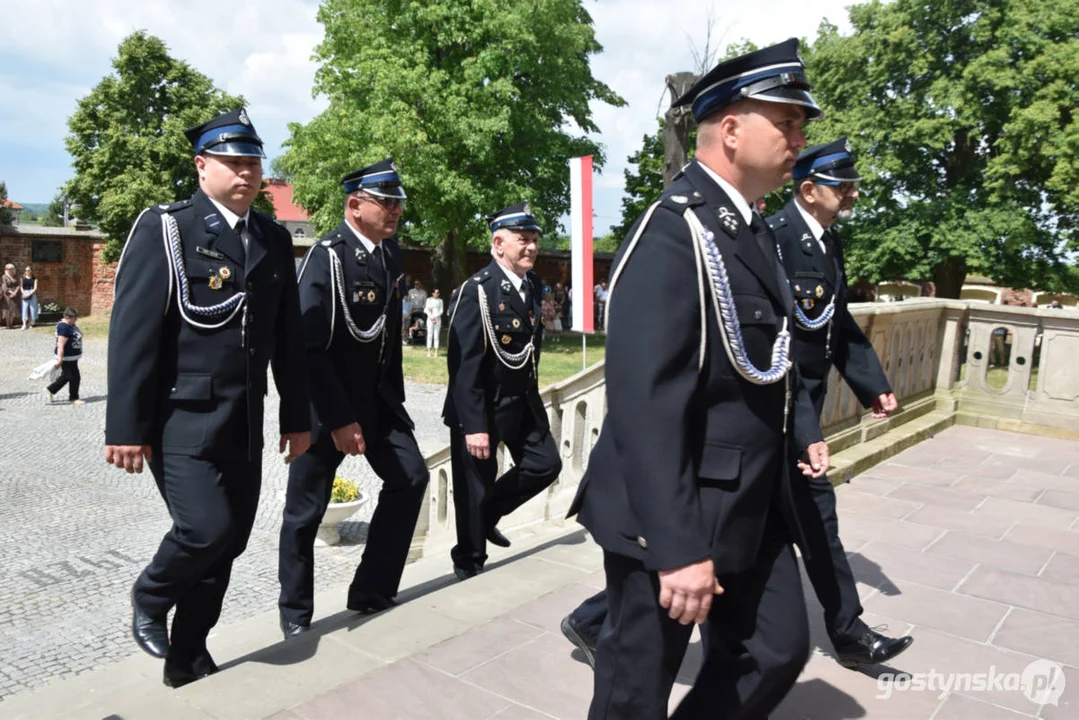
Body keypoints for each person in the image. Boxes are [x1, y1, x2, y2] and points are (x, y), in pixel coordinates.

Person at [566, 40, 830, 719]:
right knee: (635, 688)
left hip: (749, 497)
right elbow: (644, 405)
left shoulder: (751, 230)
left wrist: (800, 431)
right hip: (671, 511)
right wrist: (678, 551)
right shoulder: (671, 232)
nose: (800, 138)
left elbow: (772, 359)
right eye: (787, 123)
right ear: (733, 130)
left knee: (774, 650)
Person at [104, 107, 311, 688]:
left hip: (243, 419)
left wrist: (297, 417)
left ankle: (188, 655)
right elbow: (133, 334)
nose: (245, 173)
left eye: (252, 163)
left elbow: (288, 340)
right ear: (202, 166)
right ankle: (150, 594)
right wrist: (124, 426)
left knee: (230, 542)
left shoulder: (271, 237)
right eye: (231, 162)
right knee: (205, 530)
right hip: (181, 419)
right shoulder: (167, 228)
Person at [767, 138, 911, 666]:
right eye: (841, 186)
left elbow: (836, 324)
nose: (851, 194)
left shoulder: (827, 242)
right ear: (808, 190)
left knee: (763, 530)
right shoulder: (775, 239)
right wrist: (806, 428)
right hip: (778, 411)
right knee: (813, 519)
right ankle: (848, 633)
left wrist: (872, 383)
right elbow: (775, 339)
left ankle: (598, 618)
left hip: (802, 408)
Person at [278, 159, 429, 638]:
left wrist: (391, 402)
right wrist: (340, 418)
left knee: (411, 477)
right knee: (305, 508)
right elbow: (309, 349)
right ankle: (296, 612)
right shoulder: (327, 256)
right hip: (327, 405)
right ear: (354, 204)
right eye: (387, 202)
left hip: (377, 400)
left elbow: (384, 339)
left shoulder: (390, 254)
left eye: (398, 202)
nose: (396, 211)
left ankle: (371, 588)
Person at [443, 202, 562, 580]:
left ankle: (489, 512)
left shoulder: (533, 284)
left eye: (534, 240)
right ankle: (468, 562)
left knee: (546, 465)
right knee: (473, 486)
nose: (531, 247)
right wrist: (475, 424)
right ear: (498, 244)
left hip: (521, 399)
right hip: (483, 404)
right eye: (522, 240)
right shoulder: (477, 290)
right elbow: (464, 364)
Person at [44, 307, 84, 405]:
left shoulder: (71, 325)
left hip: (72, 357)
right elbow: (60, 344)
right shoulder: (64, 328)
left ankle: (50, 389)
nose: (76, 320)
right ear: (67, 317)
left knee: (67, 376)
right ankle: (74, 398)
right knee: (74, 377)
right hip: (66, 357)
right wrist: (60, 359)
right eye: (74, 318)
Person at [424, 288, 444, 357]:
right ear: (432, 293)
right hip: (430, 319)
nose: (437, 294)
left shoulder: (440, 300)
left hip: (437, 319)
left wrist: (435, 316)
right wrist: (431, 316)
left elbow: (441, 310)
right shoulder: (429, 300)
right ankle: (429, 352)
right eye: (436, 292)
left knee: (436, 335)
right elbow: (426, 309)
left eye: (438, 292)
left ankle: (436, 352)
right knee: (429, 334)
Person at [1, 263, 18, 329]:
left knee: (13, 309)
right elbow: (4, 287)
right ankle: (8, 325)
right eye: (7, 269)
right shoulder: (4, 277)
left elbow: (18, 285)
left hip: (14, 295)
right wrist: (11, 292)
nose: (9, 270)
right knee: (8, 310)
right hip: (7, 295)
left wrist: (15, 292)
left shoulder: (15, 276)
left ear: (13, 269)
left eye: (11, 269)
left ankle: (11, 324)